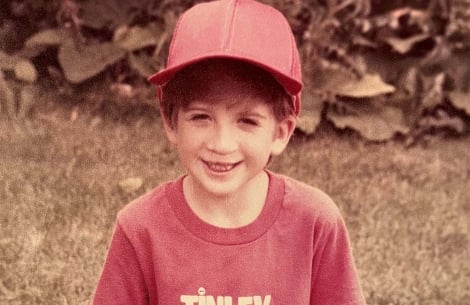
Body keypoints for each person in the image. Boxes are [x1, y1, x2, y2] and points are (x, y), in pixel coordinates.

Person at [93, 0, 366, 304]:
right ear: (171, 122)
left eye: (247, 121)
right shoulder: (140, 228)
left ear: (280, 133)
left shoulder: (315, 221)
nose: (221, 144)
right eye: (201, 117)